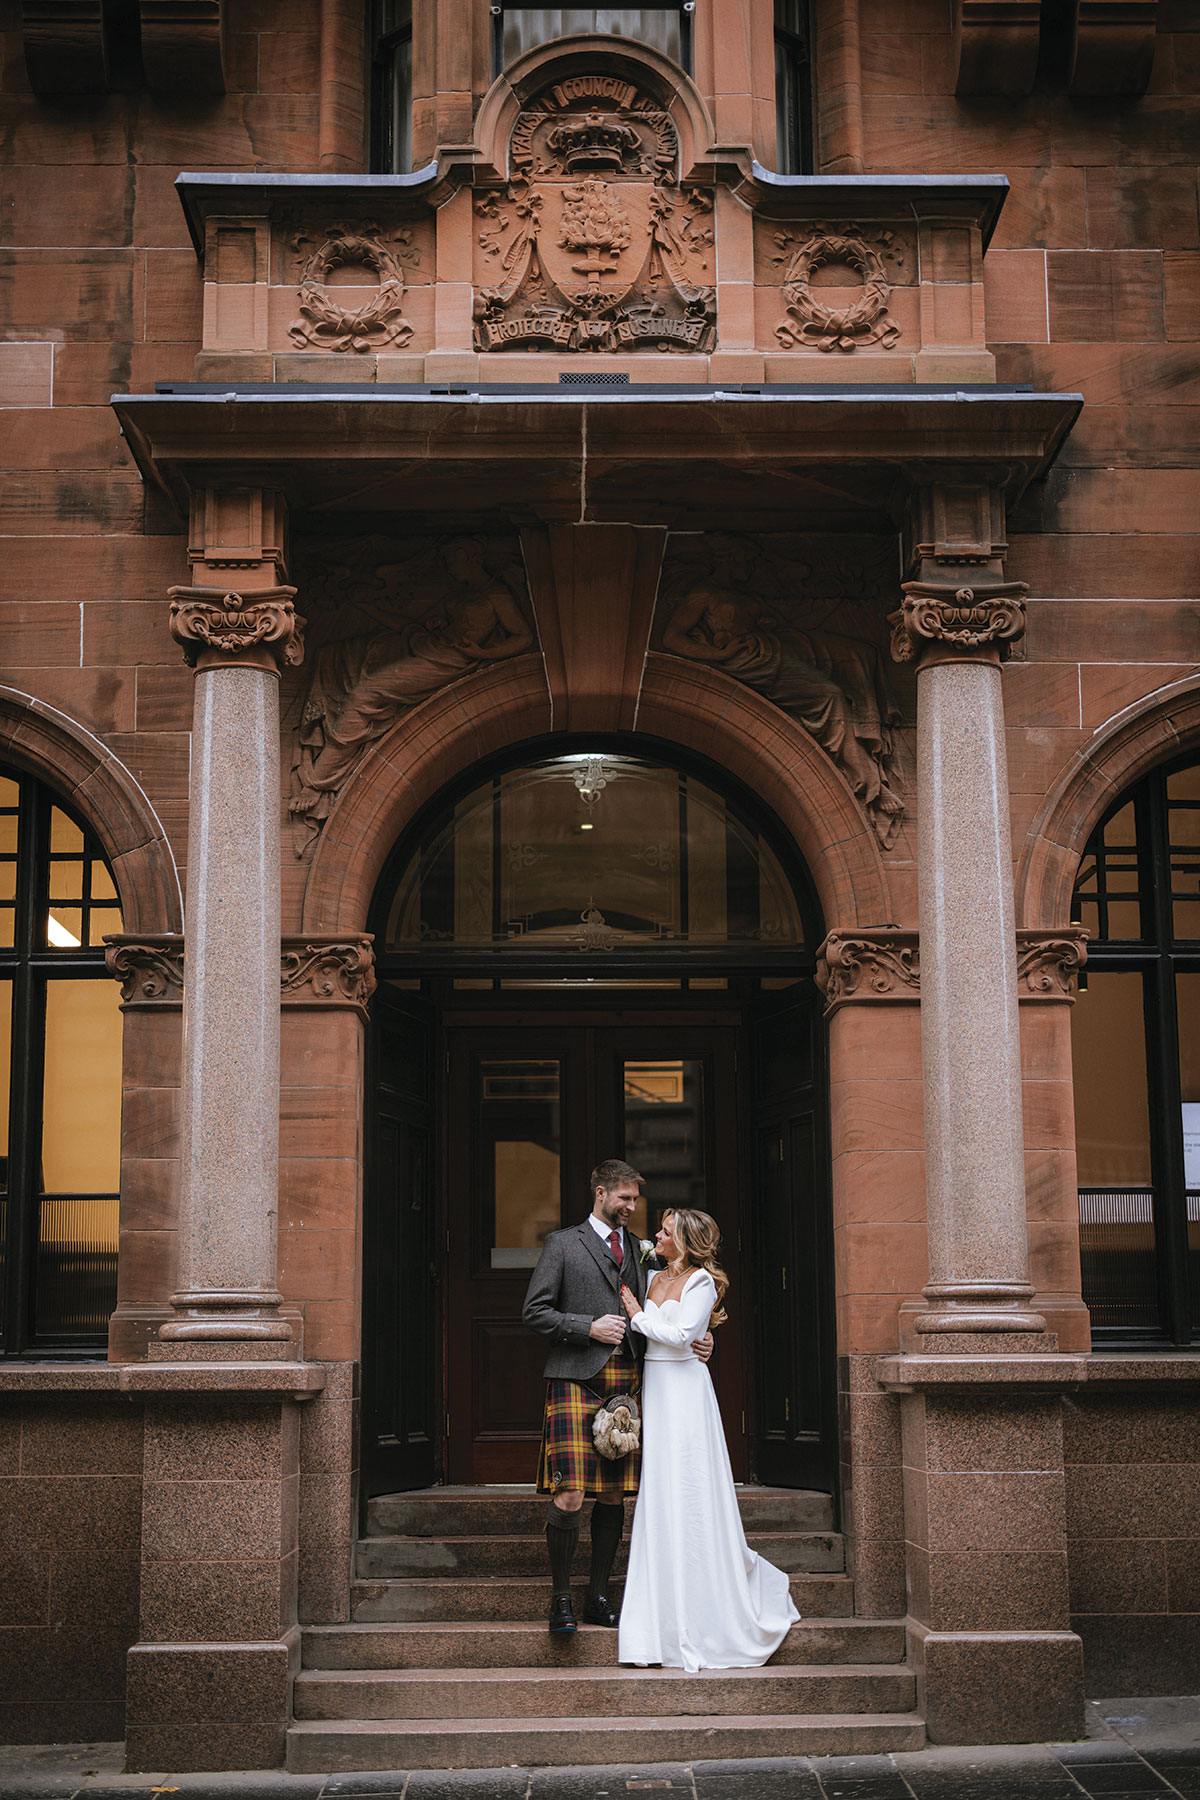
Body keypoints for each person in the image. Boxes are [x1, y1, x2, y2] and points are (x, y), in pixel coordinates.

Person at [522, 1160, 713, 1637]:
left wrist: (703, 1337)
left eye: (635, 1200)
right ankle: (561, 1599)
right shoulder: (563, 1244)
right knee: (570, 1493)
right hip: (574, 1378)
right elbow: (534, 1311)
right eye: (624, 1199)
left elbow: (681, 1296)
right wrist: (585, 1327)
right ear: (601, 1192)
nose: (631, 1208)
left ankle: (598, 1597)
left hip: (628, 1379)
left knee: (612, 1495)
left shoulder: (644, 1251)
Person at [617, 1208, 799, 1670]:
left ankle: (707, 1605)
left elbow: (681, 1335)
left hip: (685, 1392)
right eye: (658, 1229)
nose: (656, 1235)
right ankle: (657, 1612)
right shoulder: (651, 1275)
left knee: (689, 1484)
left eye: (664, 1231)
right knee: (660, 1489)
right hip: (654, 1389)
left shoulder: (700, 1282)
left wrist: (638, 1316)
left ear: (684, 1240)